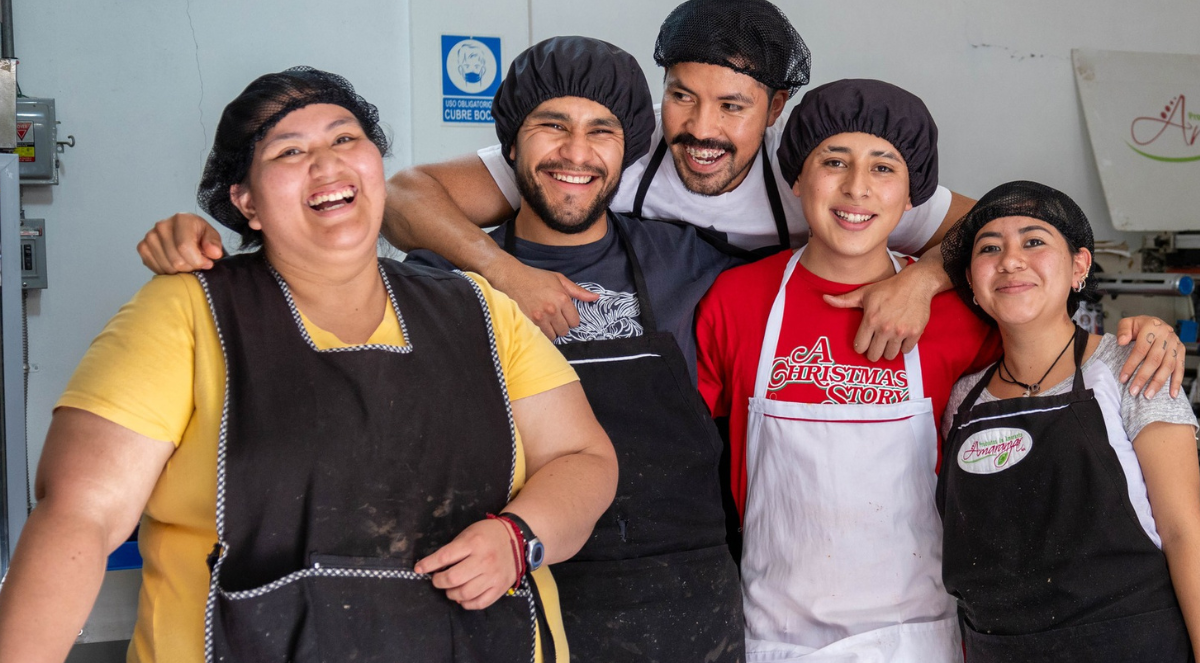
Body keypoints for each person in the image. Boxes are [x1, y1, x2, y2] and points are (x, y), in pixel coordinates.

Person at [0, 67, 617, 663]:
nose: (327, 165)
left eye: (345, 139)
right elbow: (78, 515)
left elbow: (584, 459)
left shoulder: (480, 310)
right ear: (245, 202)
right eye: (290, 151)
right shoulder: (187, 313)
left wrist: (519, 537)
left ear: (376, 164)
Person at [138, 0, 1053, 380]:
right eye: (683, 96)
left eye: (732, 106)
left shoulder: (818, 177)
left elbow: (1000, 226)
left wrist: (920, 277)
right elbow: (409, 195)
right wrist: (506, 271)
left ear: (776, 109)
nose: (700, 126)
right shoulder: (612, 152)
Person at [693, 79, 1184, 663]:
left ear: (912, 195)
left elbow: (1046, 340)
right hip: (778, 640)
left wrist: (1144, 331)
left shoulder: (957, 318)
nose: (856, 187)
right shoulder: (738, 300)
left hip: (923, 640)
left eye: (883, 166)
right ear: (797, 177)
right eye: (833, 162)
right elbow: (693, 459)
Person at [407, 36, 746, 663]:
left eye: (602, 131)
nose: (576, 153)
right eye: (552, 126)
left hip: (680, 604)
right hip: (504, 585)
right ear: (510, 144)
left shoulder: (691, 261)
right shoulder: (440, 279)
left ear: (630, 150)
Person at [937, 181, 1200, 663]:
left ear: (1079, 266)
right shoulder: (962, 399)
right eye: (989, 248)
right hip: (1001, 661)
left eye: (1034, 242)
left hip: (1133, 656)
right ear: (972, 282)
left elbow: (1188, 534)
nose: (1011, 260)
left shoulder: (1133, 367)